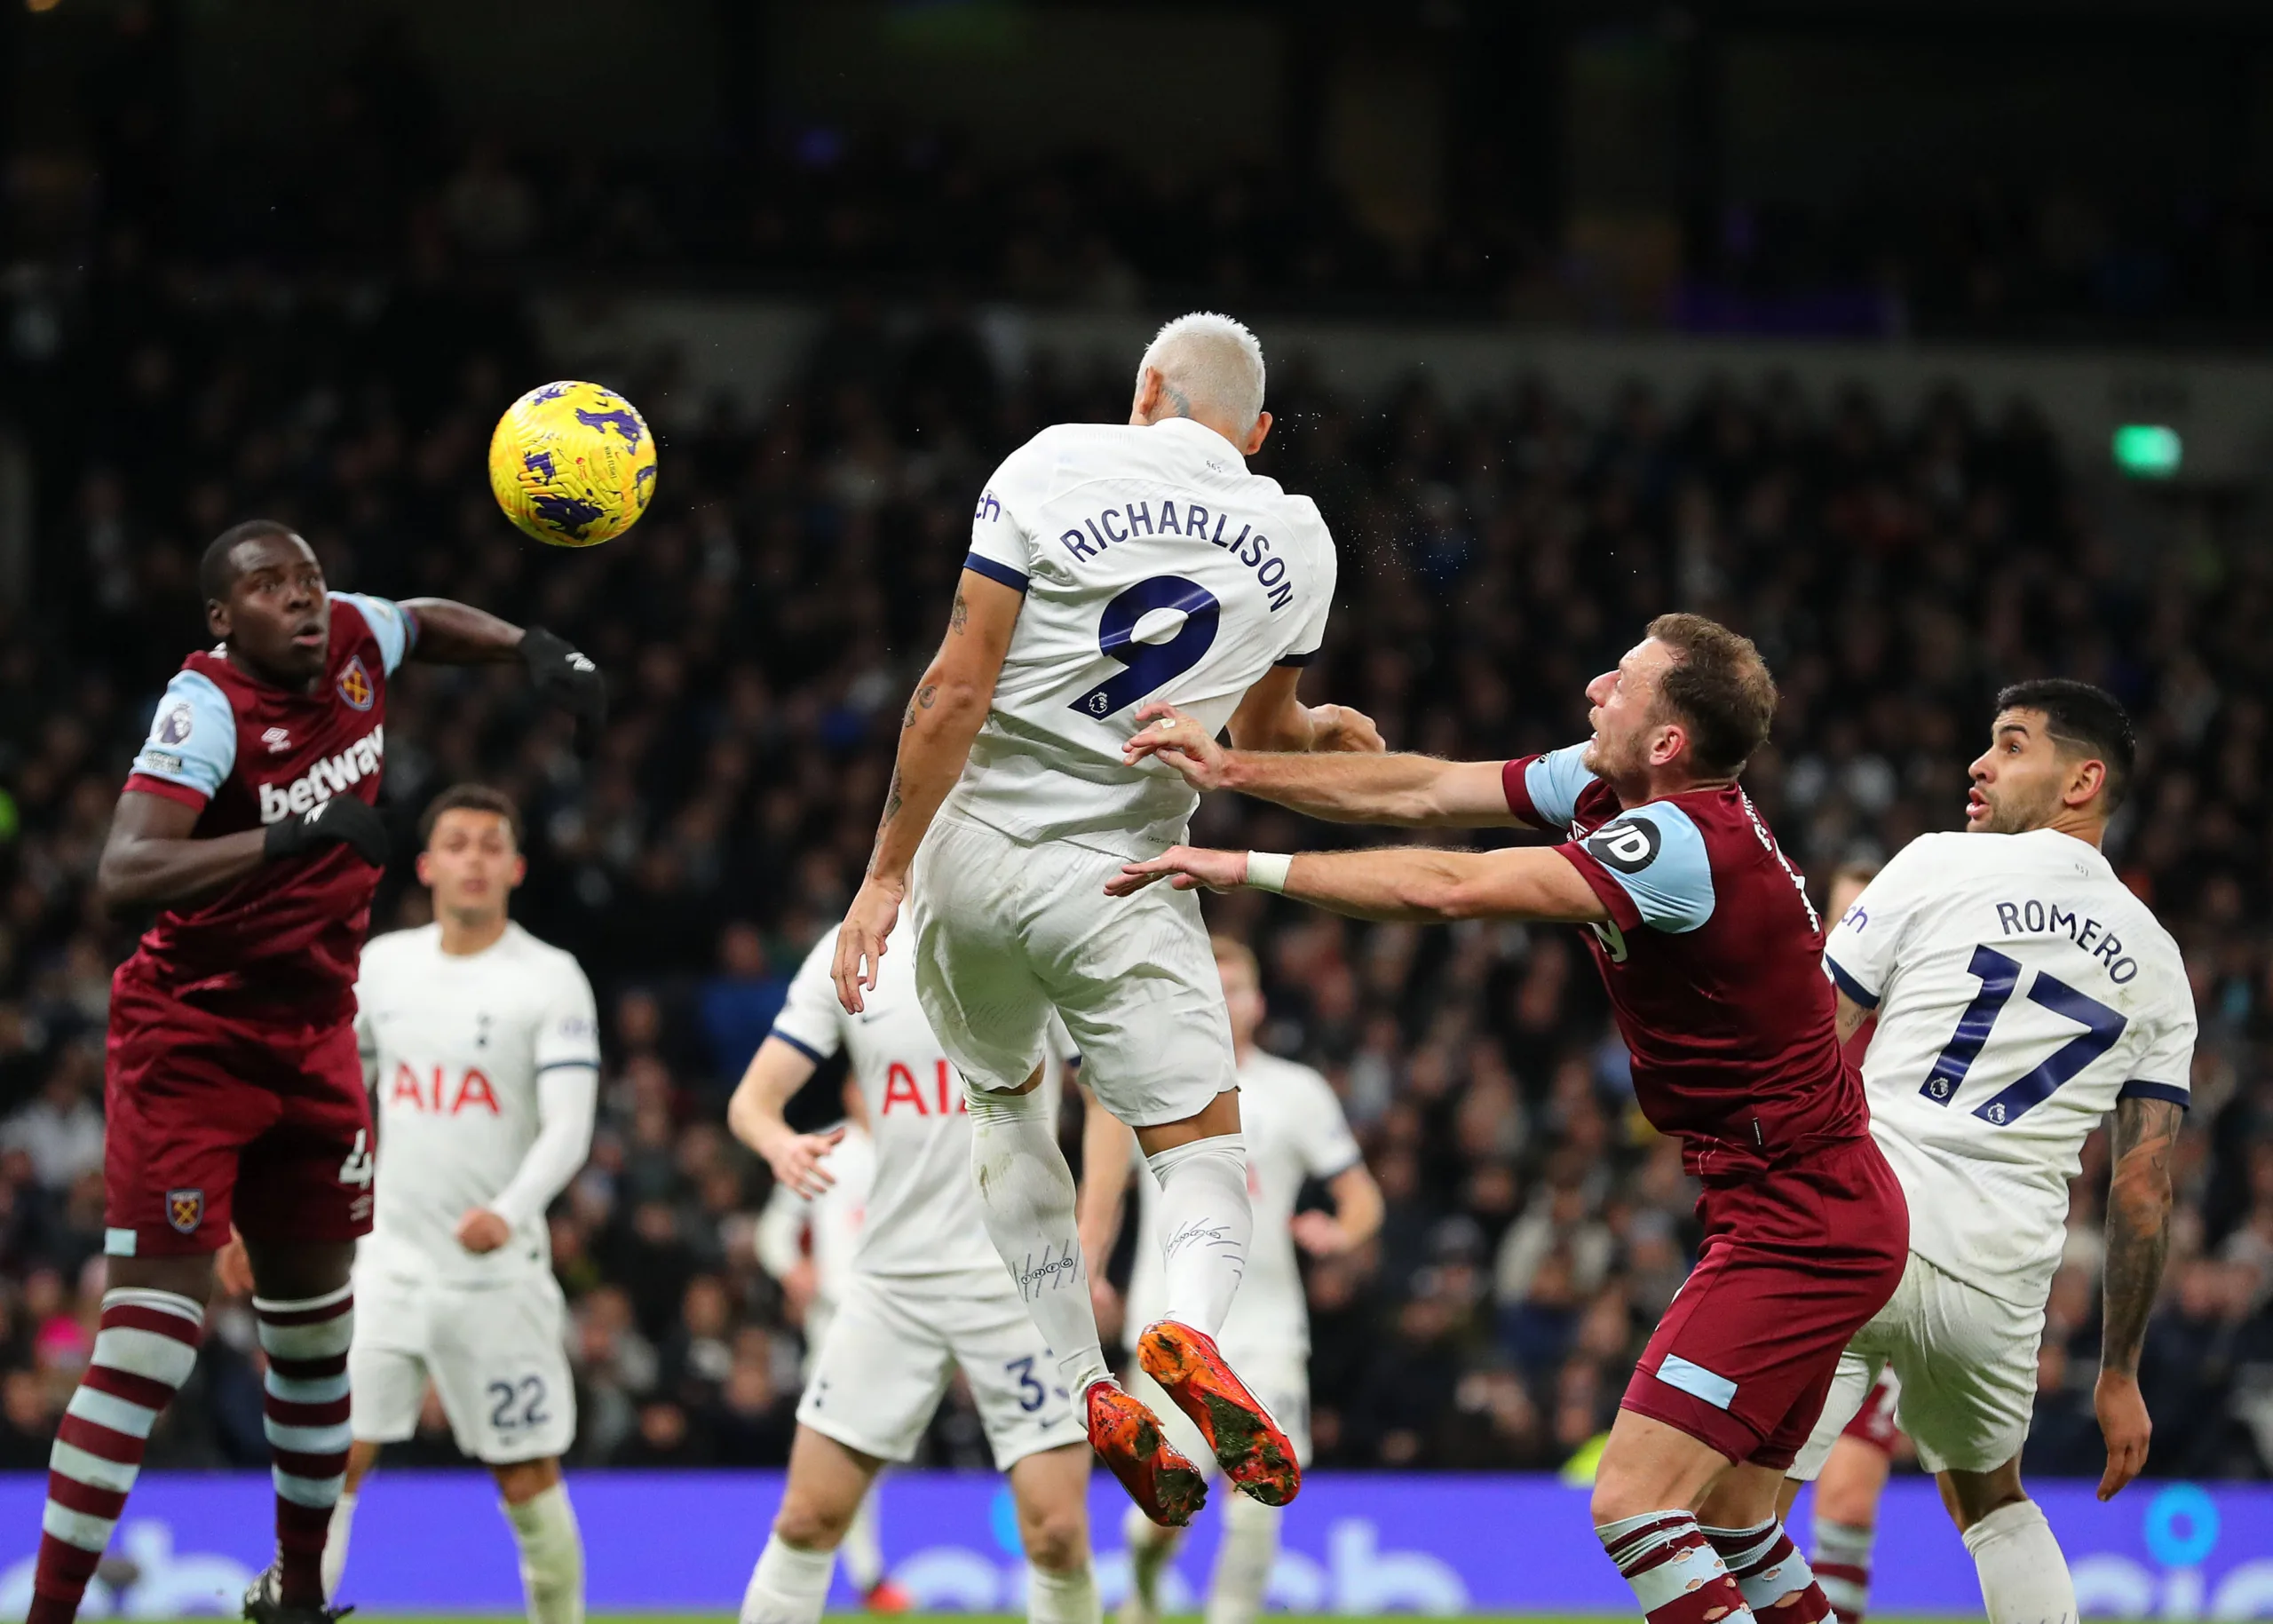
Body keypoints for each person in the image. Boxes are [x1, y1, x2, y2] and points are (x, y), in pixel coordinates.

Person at [1116, 612, 1905, 1624]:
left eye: (1619, 684)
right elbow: (1425, 788)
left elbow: (1455, 885)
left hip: (1802, 1215)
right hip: (1798, 1200)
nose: (1591, 690)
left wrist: (1244, 865)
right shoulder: (1602, 783)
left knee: (1632, 1506)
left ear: (1669, 741)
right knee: (1741, 1519)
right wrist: (1232, 770)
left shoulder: (1676, 838)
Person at [830, 313, 1380, 1525]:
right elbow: (1264, 743)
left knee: (1006, 1104)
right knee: (1203, 1157)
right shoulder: (1296, 533)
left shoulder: (1045, 462)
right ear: (1259, 431)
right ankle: (1179, 1334)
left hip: (971, 857)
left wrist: (883, 873)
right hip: (1123, 870)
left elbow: (954, 686)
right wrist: (1328, 729)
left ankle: (1083, 1375)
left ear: (1146, 388)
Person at [28, 521, 603, 1624]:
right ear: (221, 619)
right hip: (194, 1036)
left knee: (312, 1337)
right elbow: (124, 871)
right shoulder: (204, 709)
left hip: (318, 1033)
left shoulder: (348, 636)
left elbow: (422, 622)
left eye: (309, 580)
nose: (301, 601)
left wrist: (532, 647)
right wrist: (284, 835)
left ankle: (298, 1596)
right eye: (268, 588)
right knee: (151, 1343)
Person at [1778, 680, 2192, 1624]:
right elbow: (2141, 1188)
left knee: (1734, 1502)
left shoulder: (1934, 863)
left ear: (2081, 779)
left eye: (2010, 746)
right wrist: (2117, 1370)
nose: (1979, 763)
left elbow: (1809, 1037)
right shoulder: (2160, 963)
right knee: (1994, 1506)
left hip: (1856, 1231)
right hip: (1996, 1283)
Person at [729, 924, 1099, 1624]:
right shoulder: (848, 948)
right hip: (891, 1285)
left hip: (1021, 1280)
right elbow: (751, 1101)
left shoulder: (1033, 928)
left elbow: (1105, 1088)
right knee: (808, 1516)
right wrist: (777, 1140)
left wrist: (1097, 1229)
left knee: (1058, 1533)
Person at [322, 786, 600, 1624]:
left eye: (490, 845)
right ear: (427, 865)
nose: (473, 858)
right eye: (457, 843)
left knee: (526, 1477)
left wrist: (510, 1211)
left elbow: (570, 1127)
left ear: (514, 868)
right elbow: (339, 1097)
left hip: (496, 1278)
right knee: (334, 1460)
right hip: (389, 1269)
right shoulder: (384, 968)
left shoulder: (550, 978)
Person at [1080, 936, 1382, 1624]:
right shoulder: (1144, 1083)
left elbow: (1363, 1195)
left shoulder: (1297, 1090)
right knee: (1160, 1511)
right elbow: (1104, 1189)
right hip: (1169, 1326)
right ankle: (1146, 1594)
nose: (1222, 999)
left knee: (1259, 1498)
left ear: (1258, 1001)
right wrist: (1090, 1268)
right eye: (1208, 985)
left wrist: (1341, 1231)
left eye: (1235, 986)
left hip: (1268, 1326)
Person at [750, 1078, 902, 1612]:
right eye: (864, 1086)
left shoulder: (917, 1146)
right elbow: (773, 1231)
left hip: (911, 1319)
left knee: (881, 1449)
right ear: (850, 1093)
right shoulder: (826, 1149)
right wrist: (795, 1269)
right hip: (839, 1319)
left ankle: (861, 1567)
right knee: (844, 1442)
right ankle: (866, 1574)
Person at [1801, 861, 1901, 1624]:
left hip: (1882, 1273)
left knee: (1846, 1493)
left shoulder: (1907, 1034)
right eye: (1840, 916)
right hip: (1792, 1258)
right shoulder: (1800, 1024)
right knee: (1738, 1491)